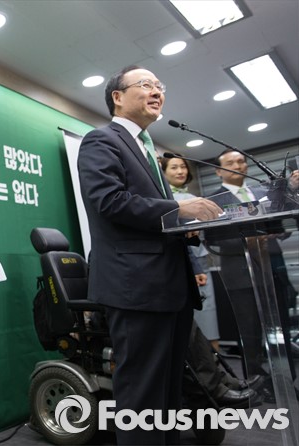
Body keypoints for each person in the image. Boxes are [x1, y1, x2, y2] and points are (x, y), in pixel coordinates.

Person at [77, 65, 222, 445]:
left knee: (168, 393)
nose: (157, 91)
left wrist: (183, 227)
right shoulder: (101, 140)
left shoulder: (147, 149)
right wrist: (178, 210)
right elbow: (109, 201)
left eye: (160, 85)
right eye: (146, 85)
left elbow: (151, 214)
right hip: (136, 286)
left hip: (170, 284)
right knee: (142, 395)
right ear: (117, 97)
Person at [206, 149, 297, 392]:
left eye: (241, 161)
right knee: (250, 331)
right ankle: (257, 382)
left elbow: (281, 223)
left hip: (272, 268)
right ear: (218, 171)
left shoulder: (262, 192)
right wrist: (249, 239)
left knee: (281, 329)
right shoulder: (213, 200)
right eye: (230, 163)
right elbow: (212, 237)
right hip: (240, 272)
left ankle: (287, 381)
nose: (238, 165)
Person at [161, 155, 221, 351]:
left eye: (183, 167)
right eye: (174, 167)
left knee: (208, 311)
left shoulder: (193, 197)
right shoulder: (164, 200)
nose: (180, 171)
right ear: (163, 172)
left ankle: (213, 358)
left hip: (201, 258)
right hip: (183, 260)